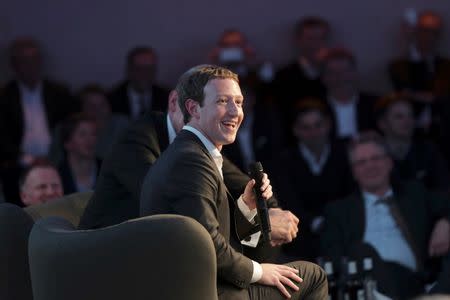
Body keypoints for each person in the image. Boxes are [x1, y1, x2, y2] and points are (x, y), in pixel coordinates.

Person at [140, 65, 327, 300]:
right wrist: (259, 272)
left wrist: (247, 208)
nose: (235, 112)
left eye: (238, 102)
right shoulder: (190, 160)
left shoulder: (194, 152)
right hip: (204, 291)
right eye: (222, 101)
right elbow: (206, 246)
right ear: (193, 108)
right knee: (314, 275)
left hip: (212, 283)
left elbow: (220, 238)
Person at [79, 66, 298, 263]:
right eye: (220, 102)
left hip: (165, 251)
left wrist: (272, 212)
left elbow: (244, 184)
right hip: (108, 257)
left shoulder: (200, 141)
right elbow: (183, 209)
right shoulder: (135, 140)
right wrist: (262, 223)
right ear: (176, 103)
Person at [320, 132, 450, 299]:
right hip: (365, 282)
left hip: (413, 279)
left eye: (376, 158)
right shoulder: (339, 210)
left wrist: (446, 222)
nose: (370, 166)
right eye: (361, 162)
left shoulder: (415, 193)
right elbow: (332, 256)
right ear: (353, 172)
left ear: (389, 162)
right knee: (361, 251)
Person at [271, 99, 354, 261]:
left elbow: (350, 194)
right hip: (301, 240)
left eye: (318, 125)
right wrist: (316, 224)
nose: (314, 133)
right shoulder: (283, 162)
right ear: (295, 130)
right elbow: (288, 203)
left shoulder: (345, 155)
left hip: (345, 232)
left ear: (328, 125)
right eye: (306, 128)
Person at [0, 37, 76, 205]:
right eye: (24, 61)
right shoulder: (4, 97)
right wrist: (28, 160)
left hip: (58, 160)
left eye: (35, 59)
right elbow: (3, 139)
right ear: (14, 65)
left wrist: (53, 157)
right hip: (17, 165)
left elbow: (69, 130)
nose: (31, 66)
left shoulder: (59, 94)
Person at [375, 92, 450, 193]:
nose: (407, 121)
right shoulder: (372, 156)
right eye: (399, 116)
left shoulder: (428, 151)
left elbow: (443, 189)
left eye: (410, 115)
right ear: (382, 123)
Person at [321, 47, 378, 140]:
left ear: (355, 73)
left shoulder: (375, 104)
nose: (340, 78)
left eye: (346, 71)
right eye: (333, 73)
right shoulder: (316, 108)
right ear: (324, 77)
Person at [108, 46, 169, 119]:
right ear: (129, 70)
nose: (144, 74)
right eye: (138, 69)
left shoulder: (167, 99)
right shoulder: (111, 100)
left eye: (149, 69)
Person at [58, 114, 100, 194]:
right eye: (82, 134)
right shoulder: (57, 177)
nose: (90, 140)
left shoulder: (107, 169)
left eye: (93, 134)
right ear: (67, 143)